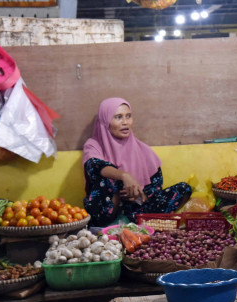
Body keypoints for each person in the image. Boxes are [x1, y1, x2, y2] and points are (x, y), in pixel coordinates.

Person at [82, 97, 191, 226]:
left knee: (184, 189)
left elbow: (155, 188)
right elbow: (93, 166)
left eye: (128, 116)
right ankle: (112, 224)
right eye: (118, 117)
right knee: (104, 180)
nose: (125, 122)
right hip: (107, 208)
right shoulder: (94, 145)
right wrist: (124, 176)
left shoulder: (143, 150)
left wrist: (140, 197)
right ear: (105, 121)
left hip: (136, 209)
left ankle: (139, 222)